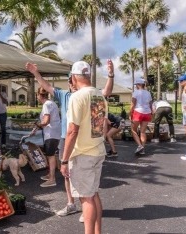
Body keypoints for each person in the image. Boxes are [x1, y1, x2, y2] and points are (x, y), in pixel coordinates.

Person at [26, 60, 114, 218]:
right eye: (69, 81)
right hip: (67, 140)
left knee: (85, 186)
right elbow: (46, 86)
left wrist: (110, 75)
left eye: (72, 79)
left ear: (75, 78)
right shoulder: (65, 95)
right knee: (68, 175)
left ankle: (85, 209)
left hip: (82, 146)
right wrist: (35, 73)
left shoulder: (86, 95)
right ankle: (71, 204)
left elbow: (106, 92)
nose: (71, 83)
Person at [60, 61, 108, 234]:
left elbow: (73, 130)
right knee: (93, 194)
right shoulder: (99, 95)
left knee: (86, 198)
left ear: (74, 77)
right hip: (97, 150)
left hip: (83, 154)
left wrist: (64, 160)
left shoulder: (77, 97)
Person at [34, 87, 61, 187]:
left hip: (51, 134)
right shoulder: (51, 103)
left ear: (39, 95)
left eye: (37, 95)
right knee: (50, 155)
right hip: (53, 133)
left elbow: (46, 121)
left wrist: (37, 125)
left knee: (51, 156)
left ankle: (52, 179)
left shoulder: (46, 104)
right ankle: (50, 174)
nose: (37, 98)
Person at [129, 78, 152, 155]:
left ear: (138, 85)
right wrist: (151, 112)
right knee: (143, 132)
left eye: (136, 85)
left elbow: (133, 104)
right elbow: (150, 104)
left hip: (138, 112)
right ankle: (142, 148)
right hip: (147, 112)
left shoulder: (135, 93)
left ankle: (139, 145)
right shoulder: (148, 93)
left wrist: (129, 114)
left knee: (133, 130)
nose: (136, 86)